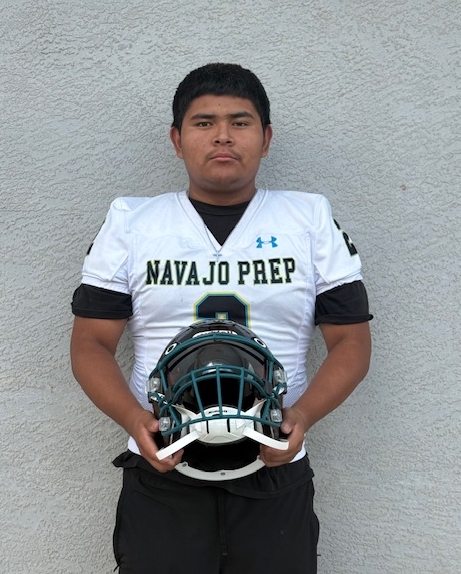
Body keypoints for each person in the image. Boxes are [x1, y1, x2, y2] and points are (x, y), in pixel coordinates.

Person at [70, 62, 372, 574]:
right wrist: (133, 419)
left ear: (266, 138)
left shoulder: (309, 219)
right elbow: (89, 344)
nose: (223, 136)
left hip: (273, 460)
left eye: (240, 121)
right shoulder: (132, 222)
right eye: (204, 122)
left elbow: (352, 342)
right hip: (164, 462)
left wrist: (301, 417)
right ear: (177, 139)